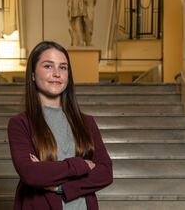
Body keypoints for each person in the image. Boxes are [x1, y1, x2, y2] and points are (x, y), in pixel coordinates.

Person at [7, 41, 113, 209]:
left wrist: (62, 187)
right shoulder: (20, 124)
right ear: (33, 74)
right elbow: (31, 174)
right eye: (48, 66)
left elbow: (105, 173)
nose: (57, 73)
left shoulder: (86, 122)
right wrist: (83, 165)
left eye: (63, 67)